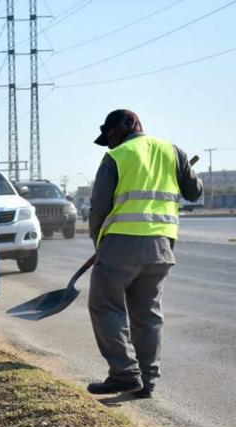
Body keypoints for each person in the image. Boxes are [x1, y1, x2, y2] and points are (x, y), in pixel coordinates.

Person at [85, 109, 201, 398]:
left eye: (110, 136)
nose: (109, 143)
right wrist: (183, 169)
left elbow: (99, 206)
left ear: (126, 126)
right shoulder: (173, 152)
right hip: (161, 246)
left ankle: (125, 373)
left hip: (121, 244)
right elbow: (194, 192)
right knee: (147, 314)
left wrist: (98, 240)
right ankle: (147, 380)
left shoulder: (117, 157)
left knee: (105, 305)